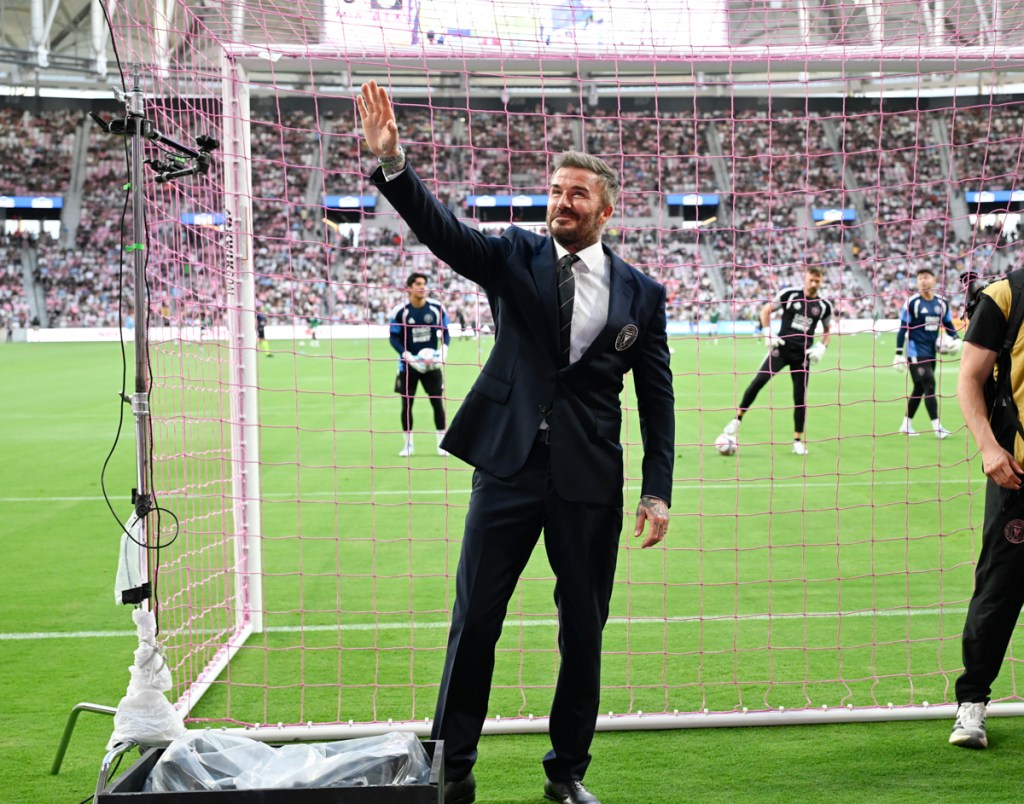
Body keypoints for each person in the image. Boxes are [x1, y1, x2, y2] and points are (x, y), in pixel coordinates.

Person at [358, 80, 675, 804]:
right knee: (474, 622)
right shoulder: (513, 254)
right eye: (556, 191)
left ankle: (567, 773)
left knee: (583, 632)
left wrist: (657, 490)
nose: (562, 202)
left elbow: (657, 400)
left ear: (605, 209)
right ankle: (451, 768)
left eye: (577, 194)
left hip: (589, 479)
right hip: (506, 466)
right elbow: (445, 234)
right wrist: (395, 165)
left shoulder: (643, 295)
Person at [950, 270, 1024, 750]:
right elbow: (969, 378)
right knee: (998, 591)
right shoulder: (1006, 295)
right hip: (1017, 473)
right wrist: (988, 447)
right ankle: (972, 701)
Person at [719, 265, 833, 455]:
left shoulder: (823, 306)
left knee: (800, 398)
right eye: (811, 279)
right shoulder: (790, 295)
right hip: (781, 348)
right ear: (805, 278)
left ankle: (797, 441)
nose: (814, 283)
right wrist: (768, 332)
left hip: (802, 356)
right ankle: (737, 419)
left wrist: (822, 347)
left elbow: (828, 330)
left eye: (817, 280)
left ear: (821, 281)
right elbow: (765, 311)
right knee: (759, 381)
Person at [389, 272, 451, 457]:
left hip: (432, 366)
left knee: (437, 403)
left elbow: (446, 332)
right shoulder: (400, 311)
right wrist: (407, 356)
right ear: (409, 288)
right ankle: (408, 445)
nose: (422, 287)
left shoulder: (436, 308)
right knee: (407, 404)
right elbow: (393, 338)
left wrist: (444, 350)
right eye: (418, 284)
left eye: (424, 283)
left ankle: (441, 444)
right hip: (408, 367)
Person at [893, 266, 959, 438]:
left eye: (926, 277)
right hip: (915, 352)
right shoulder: (912, 302)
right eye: (920, 278)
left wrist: (956, 339)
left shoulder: (941, 303)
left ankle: (906, 425)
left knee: (919, 389)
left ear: (934, 280)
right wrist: (898, 353)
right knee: (929, 384)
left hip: (931, 352)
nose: (923, 281)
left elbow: (948, 324)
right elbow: (902, 328)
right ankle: (937, 428)